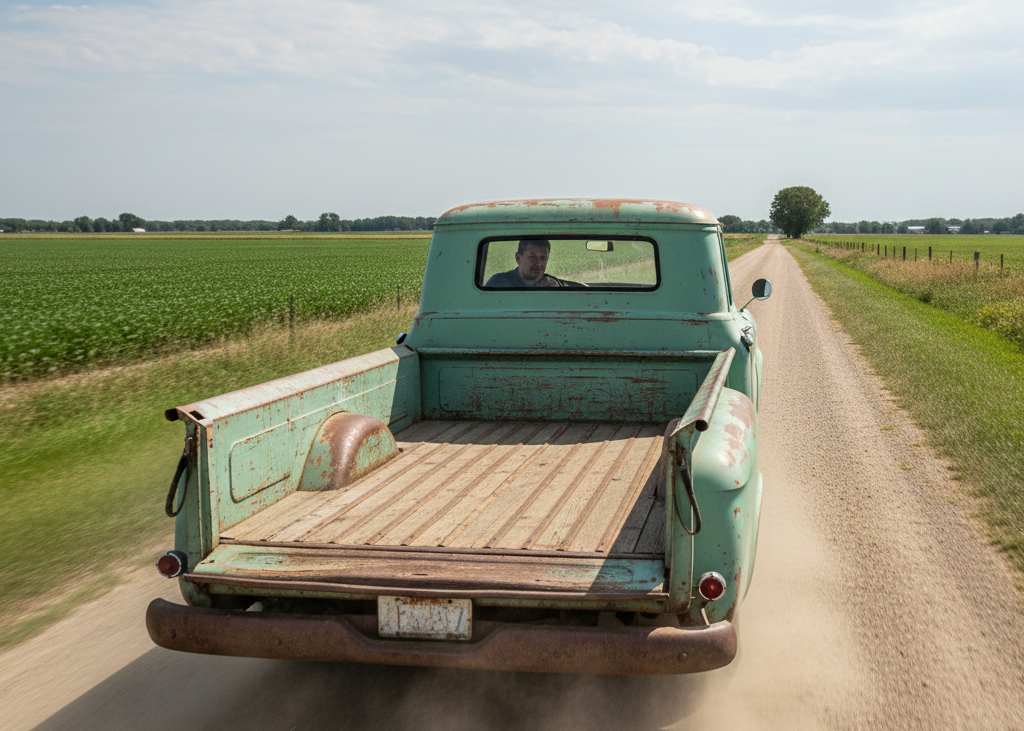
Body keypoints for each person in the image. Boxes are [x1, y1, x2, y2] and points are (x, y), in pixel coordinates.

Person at [485, 239, 563, 288]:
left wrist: (557, 292)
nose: (539, 264)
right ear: (518, 258)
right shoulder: (500, 282)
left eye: (543, 258)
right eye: (532, 257)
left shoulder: (551, 283)